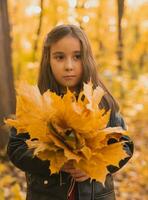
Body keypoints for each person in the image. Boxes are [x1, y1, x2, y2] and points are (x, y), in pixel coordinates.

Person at [7, 24, 134, 200]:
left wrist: (93, 166)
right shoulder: (36, 103)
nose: (69, 66)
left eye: (77, 57)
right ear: (48, 60)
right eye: (59, 57)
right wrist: (54, 161)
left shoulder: (101, 100)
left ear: (87, 59)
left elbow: (124, 145)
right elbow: (16, 148)